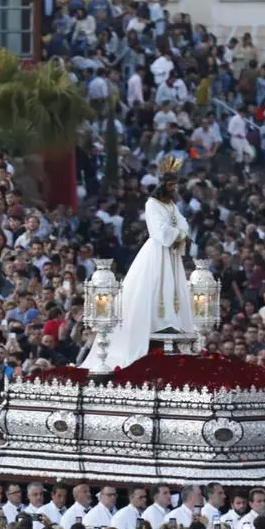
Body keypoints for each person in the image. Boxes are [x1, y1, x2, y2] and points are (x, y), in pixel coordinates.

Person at [79, 156, 193, 371]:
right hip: (158, 250)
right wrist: (178, 233)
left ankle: (171, 321)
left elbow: (184, 223)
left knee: (173, 286)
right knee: (154, 285)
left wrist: (180, 232)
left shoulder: (171, 205)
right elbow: (159, 230)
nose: (173, 189)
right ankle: (157, 323)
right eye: (170, 185)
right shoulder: (152, 204)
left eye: (175, 186)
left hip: (171, 252)